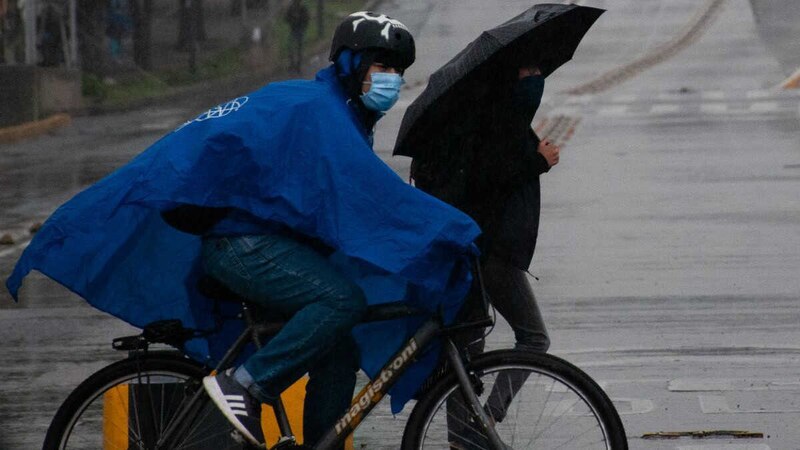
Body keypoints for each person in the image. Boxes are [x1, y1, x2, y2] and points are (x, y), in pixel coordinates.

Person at [7, 10, 479, 450]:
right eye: (381, 65)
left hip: (259, 245)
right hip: (243, 246)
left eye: (397, 70)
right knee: (343, 301)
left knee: (338, 354)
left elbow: (345, 205)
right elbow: (373, 195)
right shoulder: (320, 111)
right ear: (350, 65)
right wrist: (450, 230)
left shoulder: (336, 114)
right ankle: (243, 388)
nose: (390, 79)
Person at [411, 63, 559, 449]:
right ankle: (485, 419)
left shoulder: (491, 118)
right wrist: (537, 161)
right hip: (491, 252)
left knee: (467, 345)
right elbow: (488, 180)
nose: (535, 80)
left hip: (478, 250)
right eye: (527, 72)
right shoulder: (499, 121)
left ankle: (465, 438)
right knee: (533, 338)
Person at [285, 0, 309, 74]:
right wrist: (293, 19)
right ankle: (293, 64)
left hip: (299, 29)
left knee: (298, 48)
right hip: (294, 29)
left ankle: (298, 65)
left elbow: (306, 18)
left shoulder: (302, 8)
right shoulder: (291, 8)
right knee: (291, 47)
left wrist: (300, 21)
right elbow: (286, 18)